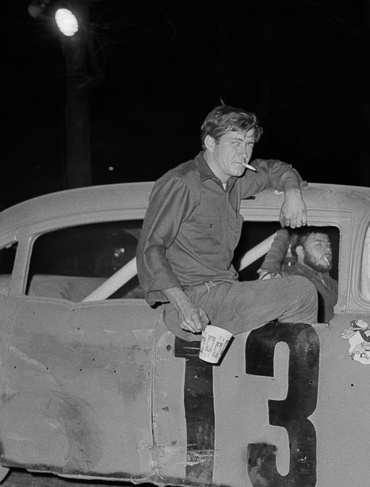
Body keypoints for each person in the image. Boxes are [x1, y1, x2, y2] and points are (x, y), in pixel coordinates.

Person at [136, 104, 318, 340]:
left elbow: (276, 168)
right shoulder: (182, 183)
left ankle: (280, 371)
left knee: (285, 294)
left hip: (225, 292)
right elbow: (150, 249)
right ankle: (298, 375)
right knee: (301, 291)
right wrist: (184, 306)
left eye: (249, 144)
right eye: (235, 143)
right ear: (211, 143)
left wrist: (293, 194)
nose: (244, 153)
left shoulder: (236, 181)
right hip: (194, 301)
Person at [258, 227, 338, 322]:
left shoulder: (333, 283)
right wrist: (284, 234)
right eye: (318, 245)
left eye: (328, 244)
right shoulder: (293, 280)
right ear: (300, 251)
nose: (328, 250)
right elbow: (266, 280)